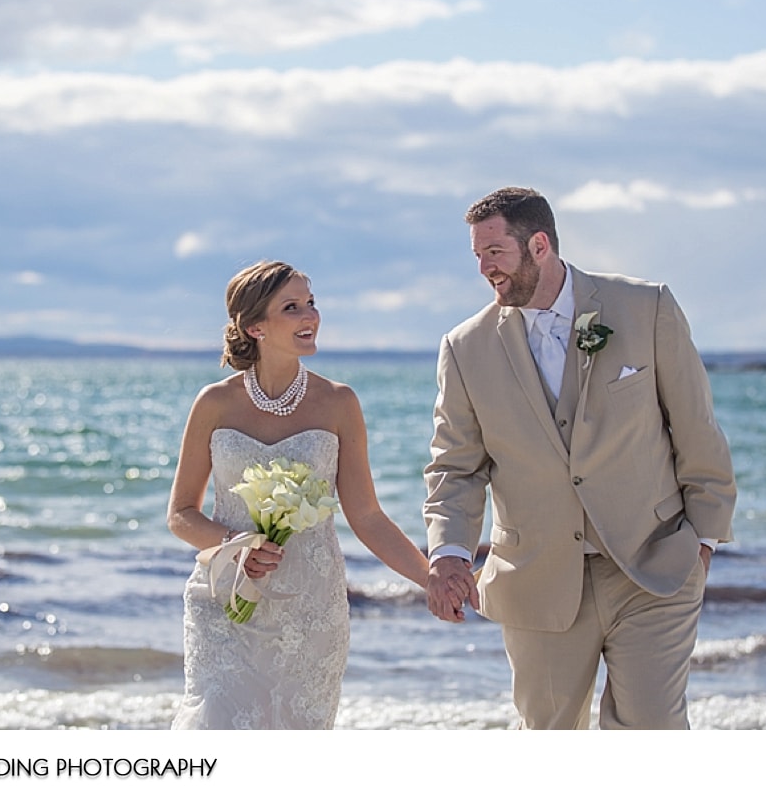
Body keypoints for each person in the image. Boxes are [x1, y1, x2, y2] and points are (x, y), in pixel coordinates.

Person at [423, 187, 736, 730]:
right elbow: (456, 467)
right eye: (477, 255)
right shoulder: (465, 347)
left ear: (539, 244)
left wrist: (703, 541)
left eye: (494, 252)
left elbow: (696, 429)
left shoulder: (645, 308)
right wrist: (448, 555)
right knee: (548, 734)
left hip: (653, 564)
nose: (484, 269)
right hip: (537, 575)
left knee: (653, 729)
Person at [168, 260, 428, 729]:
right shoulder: (213, 403)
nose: (310, 316)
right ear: (255, 326)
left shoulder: (339, 403)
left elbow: (367, 516)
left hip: (310, 612)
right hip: (225, 603)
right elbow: (182, 514)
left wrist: (431, 579)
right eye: (292, 307)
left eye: (311, 303)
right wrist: (236, 544)